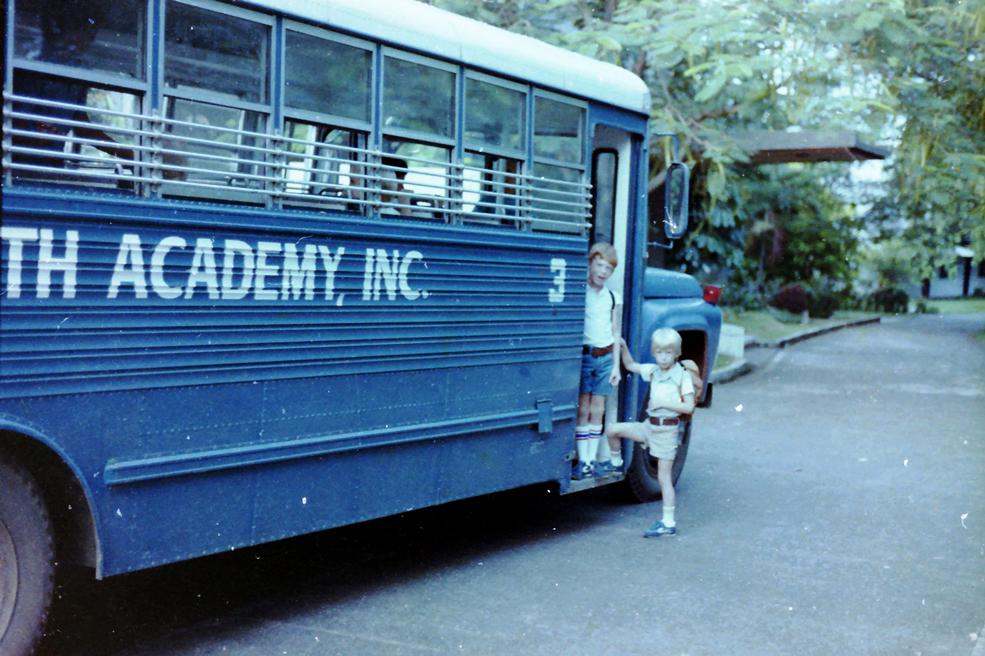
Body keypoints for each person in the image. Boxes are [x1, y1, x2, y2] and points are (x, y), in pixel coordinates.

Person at [607, 328, 695, 536]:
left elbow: (689, 407)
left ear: (676, 354)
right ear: (654, 353)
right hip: (648, 427)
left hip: (666, 431)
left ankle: (668, 522)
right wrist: (624, 348)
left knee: (664, 478)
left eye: (668, 353)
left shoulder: (681, 376)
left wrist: (665, 402)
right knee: (612, 430)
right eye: (659, 353)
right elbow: (630, 365)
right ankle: (616, 464)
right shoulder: (653, 370)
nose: (663, 357)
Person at [573, 242, 622, 480]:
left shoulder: (613, 298)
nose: (603, 272)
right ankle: (582, 461)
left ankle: (591, 461)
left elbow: (616, 332)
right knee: (583, 408)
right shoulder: (581, 293)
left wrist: (616, 366)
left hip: (604, 359)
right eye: (600, 265)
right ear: (590, 263)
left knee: (598, 409)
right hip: (585, 356)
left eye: (608, 269)